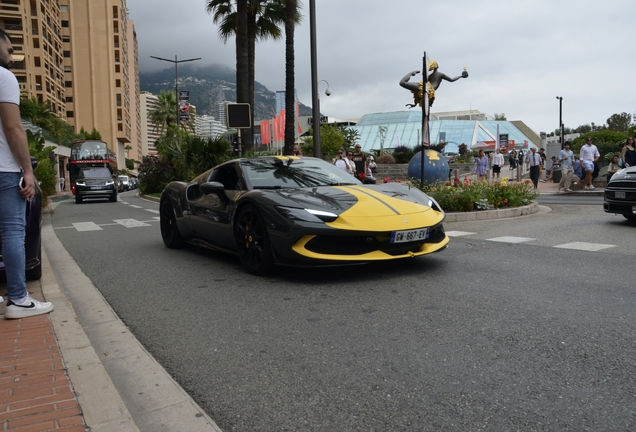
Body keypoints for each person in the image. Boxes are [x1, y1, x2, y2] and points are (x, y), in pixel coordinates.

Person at [0, 29, 54, 319]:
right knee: (11, 232)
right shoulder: (4, 77)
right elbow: (13, 127)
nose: (12, 55)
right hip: (4, 169)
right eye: (8, 49)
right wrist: (28, 171)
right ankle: (18, 298)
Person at [399, 61, 468, 108]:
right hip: (429, 89)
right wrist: (461, 76)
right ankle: (412, 73)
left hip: (427, 89)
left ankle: (411, 73)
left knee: (403, 83)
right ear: (437, 66)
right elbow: (452, 80)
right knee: (403, 83)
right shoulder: (440, 74)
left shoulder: (430, 76)